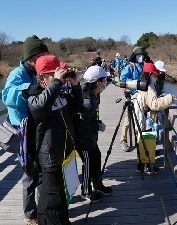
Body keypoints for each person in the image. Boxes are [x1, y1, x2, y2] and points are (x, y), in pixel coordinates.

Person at [27, 55, 83, 224]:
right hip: (50, 158)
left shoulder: (59, 93)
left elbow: (77, 107)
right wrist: (57, 83)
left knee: (58, 199)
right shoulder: (35, 96)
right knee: (53, 201)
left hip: (64, 155)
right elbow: (40, 107)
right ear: (41, 77)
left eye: (61, 73)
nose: (60, 77)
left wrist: (75, 85)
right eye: (54, 73)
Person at [1, 35, 49, 225]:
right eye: (41, 56)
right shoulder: (17, 74)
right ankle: (30, 214)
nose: (44, 59)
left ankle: (42, 204)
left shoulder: (38, 71)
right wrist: (28, 89)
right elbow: (7, 97)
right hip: (22, 132)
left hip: (36, 128)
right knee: (30, 172)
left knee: (40, 169)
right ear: (31, 58)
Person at [74, 65, 113, 202]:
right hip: (81, 139)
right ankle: (86, 191)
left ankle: (97, 185)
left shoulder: (92, 93)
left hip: (89, 138)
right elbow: (82, 126)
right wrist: (98, 125)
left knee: (96, 156)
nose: (106, 81)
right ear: (98, 83)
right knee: (88, 161)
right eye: (104, 79)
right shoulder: (88, 101)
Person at [133, 63, 177, 173]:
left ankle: (141, 166)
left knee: (142, 143)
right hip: (147, 120)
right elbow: (155, 105)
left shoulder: (141, 84)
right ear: (150, 75)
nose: (156, 78)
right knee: (147, 143)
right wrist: (169, 99)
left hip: (140, 119)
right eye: (155, 76)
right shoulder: (149, 88)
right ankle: (147, 166)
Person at [119, 46, 148, 152]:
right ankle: (123, 140)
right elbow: (123, 79)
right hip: (132, 96)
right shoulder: (130, 66)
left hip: (141, 96)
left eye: (142, 55)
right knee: (128, 118)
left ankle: (139, 139)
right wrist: (135, 85)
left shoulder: (142, 66)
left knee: (140, 118)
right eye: (139, 55)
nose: (141, 57)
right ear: (135, 56)